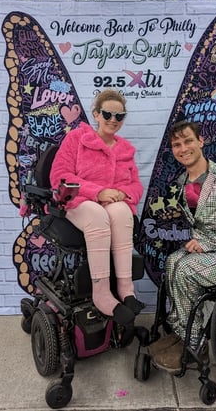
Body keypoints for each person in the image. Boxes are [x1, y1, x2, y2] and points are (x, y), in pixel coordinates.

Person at [148, 120, 216, 372]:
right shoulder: (180, 183)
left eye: (188, 141)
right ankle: (183, 329)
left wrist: (208, 242)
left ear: (201, 142)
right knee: (172, 262)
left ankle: (195, 342)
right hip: (208, 251)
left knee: (185, 269)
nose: (183, 148)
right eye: (176, 144)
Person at [50, 89, 144, 325]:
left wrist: (124, 193)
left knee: (123, 211)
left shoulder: (125, 150)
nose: (113, 120)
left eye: (119, 116)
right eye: (108, 114)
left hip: (111, 204)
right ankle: (101, 292)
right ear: (96, 114)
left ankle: (126, 288)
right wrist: (97, 192)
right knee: (97, 214)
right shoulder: (76, 140)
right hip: (78, 201)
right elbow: (60, 175)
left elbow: (135, 185)